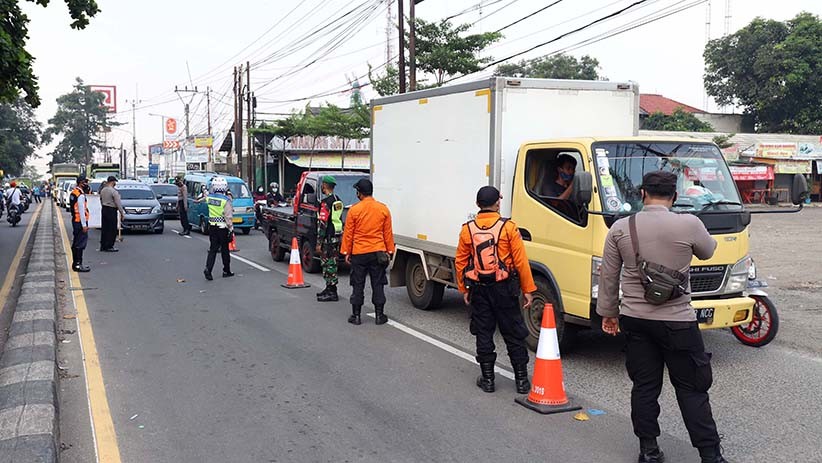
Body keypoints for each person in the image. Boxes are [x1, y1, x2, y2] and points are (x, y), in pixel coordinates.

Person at [597, 171, 726, 463]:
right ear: (675, 196)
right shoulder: (689, 223)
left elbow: (609, 275)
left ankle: (649, 451)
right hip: (678, 321)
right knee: (692, 389)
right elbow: (707, 251)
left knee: (644, 386)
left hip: (634, 319)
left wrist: (608, 313)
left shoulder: (621, 227)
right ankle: (710, 455)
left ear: (642, 193)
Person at [455, 186, 536, 394]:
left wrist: (464, 288)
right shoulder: (508, 228)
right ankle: (521, 381)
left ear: (477, 204)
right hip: (504, 289)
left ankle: (488, 379)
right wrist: (528, 289)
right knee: (513, 332)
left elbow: (460, 262)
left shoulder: (467, 229)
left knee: (483, 332)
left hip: (479, 289)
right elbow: (521, 261)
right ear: (498, 204)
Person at [339, 178, 394, 325]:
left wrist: (346, 252)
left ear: (359, 193)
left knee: (357, 284)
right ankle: (379, 315)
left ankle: (356, 316)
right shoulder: (383, 209)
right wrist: (390, 251)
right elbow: (387, 233)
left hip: (359, 253)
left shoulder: (354, 210)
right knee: (378, 283)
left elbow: (348, 234)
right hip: (378, 252)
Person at [315, 176, 344, 302]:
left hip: (327, 239)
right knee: (333, 262)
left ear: (325, 185)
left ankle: (332, 291)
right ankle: (328, 288)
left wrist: (319, 242)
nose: (322, 187)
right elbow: (339, 219)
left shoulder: (326, 203)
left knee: (328, 264)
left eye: (323, 184)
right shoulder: (338, 200)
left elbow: (323, 223)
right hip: (336, 237)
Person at [203, 177, 234, 280]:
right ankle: (226, 270)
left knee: (213, 249)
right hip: (223, 227)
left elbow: (205, 195)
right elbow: (228, 216)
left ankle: (208, 269)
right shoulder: (226, 200)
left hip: (212, 226)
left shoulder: (209, 198)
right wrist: (231, 229)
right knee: (225, 250)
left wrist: (205, 190)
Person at [69, 176, 91, 272]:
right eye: (85, 182)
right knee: (80, 244)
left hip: (75, 221)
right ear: (81, 183)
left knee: (76, 243)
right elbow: (81, 211)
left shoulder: (74, 193)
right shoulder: (80, 195)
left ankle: (75, 264)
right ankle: (78, 264)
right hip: (80, 222)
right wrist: (84, 225)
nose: (87, 184)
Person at [99, 176, 125, 252]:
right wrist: (122, 213)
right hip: (111, 210)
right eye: (115, 182)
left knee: (105, 228)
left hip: (104, 209)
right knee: (112, 229)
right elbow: (118, 203)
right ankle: (109, 246)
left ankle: (103, 246)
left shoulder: (103, 190)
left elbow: (101, 199)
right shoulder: (113, 191)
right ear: (113, 182)